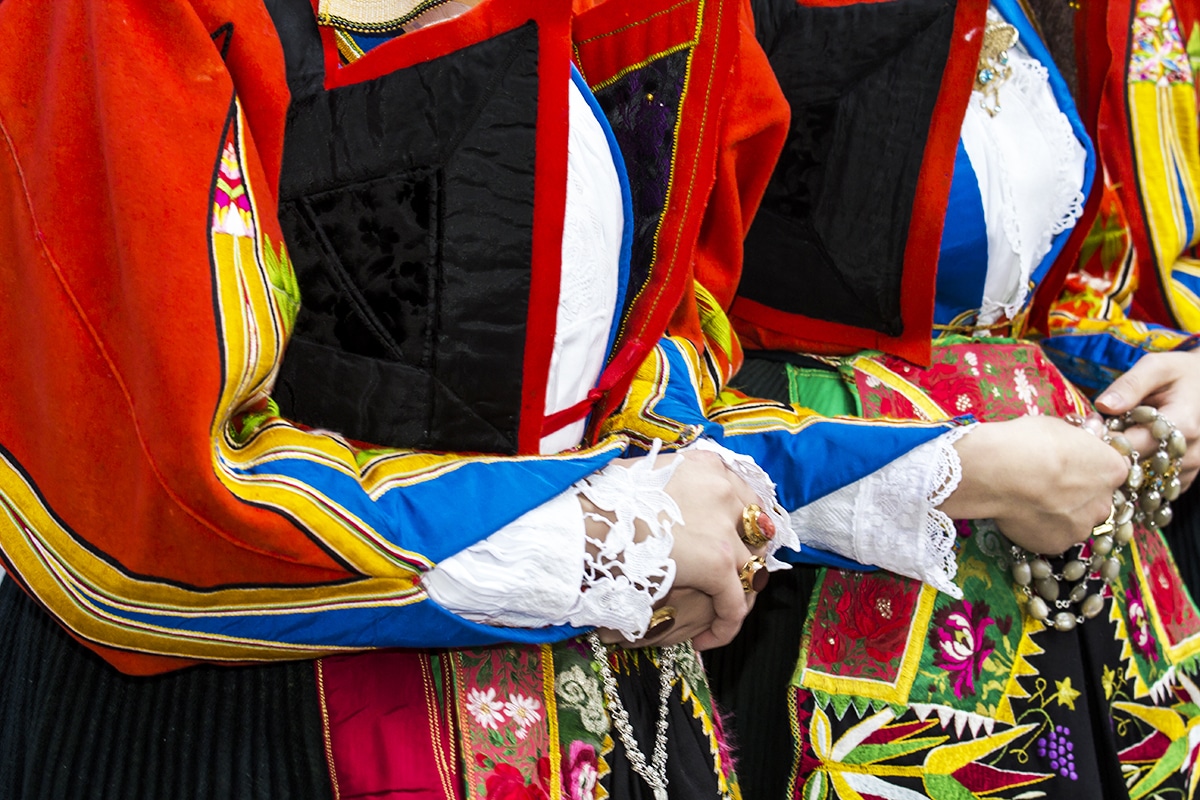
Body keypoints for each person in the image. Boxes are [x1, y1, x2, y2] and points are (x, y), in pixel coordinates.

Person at [0, 1, 961, 798]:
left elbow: (670, 321)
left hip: (599, 696)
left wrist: (660, 496)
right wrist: (610, 534)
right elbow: (143, 497)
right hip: (250, 723)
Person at [702, 0, 1200, 798]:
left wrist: (1180, 376)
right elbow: (627, 365)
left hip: (1070, 560)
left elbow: (1033, 304)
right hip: (828, 559)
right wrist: (960, 472)